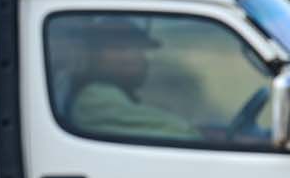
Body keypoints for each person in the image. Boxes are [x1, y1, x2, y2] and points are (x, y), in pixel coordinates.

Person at [66, 18, 200, 140]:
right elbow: (184, 135)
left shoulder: (113, 96)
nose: (137, 58)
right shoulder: (96, 99)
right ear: (93, 55)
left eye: (140, 49)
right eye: (119, 48)